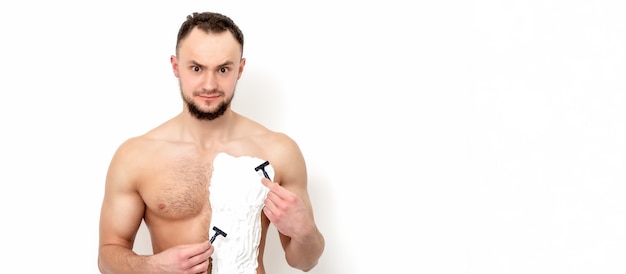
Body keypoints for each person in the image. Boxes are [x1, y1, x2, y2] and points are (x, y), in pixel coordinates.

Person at [97, 11, 325, 274]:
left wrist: (306, 233)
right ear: (175, 66)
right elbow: (107, 257)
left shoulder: (278, 152)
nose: (209, 84)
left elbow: (304, 261)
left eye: (223, 69)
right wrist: (151, 265)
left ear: (239, 69)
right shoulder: (136, 156)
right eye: (196, 68)